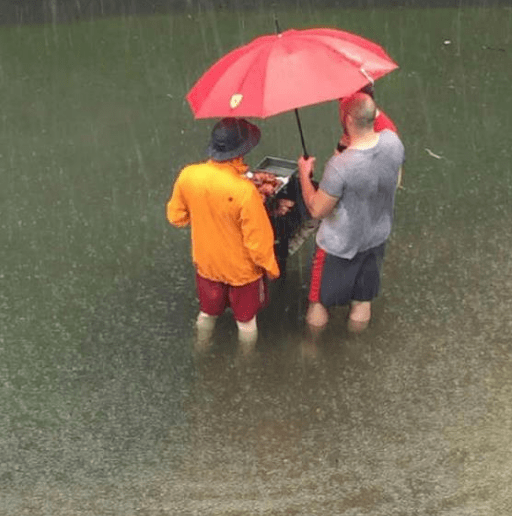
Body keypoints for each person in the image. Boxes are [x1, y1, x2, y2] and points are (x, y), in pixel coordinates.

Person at [297, 92, 405, 344]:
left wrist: (304, 174)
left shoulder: (341, 166)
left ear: (347, 120)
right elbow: (392, 181)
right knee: (362, 299)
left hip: (339, 246)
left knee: (319, 301)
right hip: (376, 238)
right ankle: (356, 351)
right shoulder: (393, 142)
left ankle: (313, 350)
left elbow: (316, 209)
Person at [166, 117, 280, 356]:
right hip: (242, 272)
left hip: (206, 264)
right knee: (246, 321)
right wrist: (271, 268)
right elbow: (257, 241)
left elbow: (176, 217)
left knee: (207, 312)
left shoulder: (189, 175)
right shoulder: (244, 192)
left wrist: (204, 215)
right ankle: (244, 365)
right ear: (241, 151)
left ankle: (199, 349)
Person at [337, 83, 403, 188]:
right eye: (341, 102)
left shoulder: (386, 134)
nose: (341, 109)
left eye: (345, 104)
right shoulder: (356, 122)